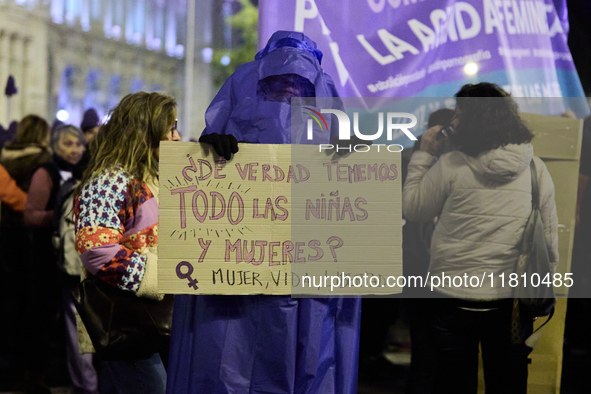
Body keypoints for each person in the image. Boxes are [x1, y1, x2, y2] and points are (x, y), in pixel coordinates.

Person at [166, 31, 361, 394]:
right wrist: (208, 154)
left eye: (299, 90)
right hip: (232, 291)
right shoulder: (221, 145)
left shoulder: (338, 151)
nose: (286, 100)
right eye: (274, 89)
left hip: (302, 289)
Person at [402, 83, 559, 394]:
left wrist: (423, 154)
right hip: (510, 302)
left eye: (459, 114)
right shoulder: (535, 169)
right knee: (507, 381)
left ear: (471, 119)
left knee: (453, 381)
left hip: (450, 298)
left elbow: (414, 209)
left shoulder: (451, 165)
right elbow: (549, 243)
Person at [74, 92, 180, 393]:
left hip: (156, 321)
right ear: (145, 129)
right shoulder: (110, 180)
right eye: (169, 127)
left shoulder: (154, 177)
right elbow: (96, 249)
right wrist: (160, 277)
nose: (176, 136)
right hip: (128, 323)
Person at [0, 114, 52, 392]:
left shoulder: (5, 156)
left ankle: (11, 363)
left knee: (12, 300)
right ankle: (32, 372)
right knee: (35, 304)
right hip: (34, 236)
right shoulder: (43, 160)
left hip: (6, 232)